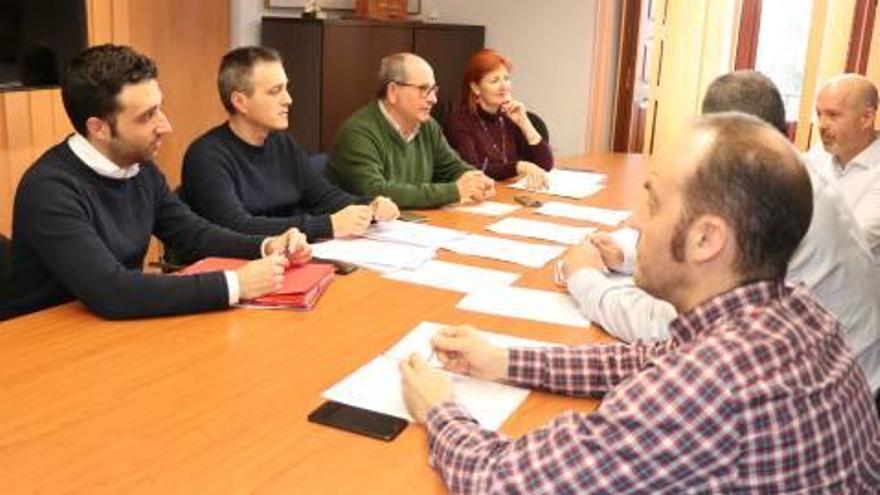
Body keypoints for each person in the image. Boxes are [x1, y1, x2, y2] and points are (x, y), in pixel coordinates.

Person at [400, 113, 880, 493]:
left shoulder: (706, 388)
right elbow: (649, 357)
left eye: (652, 206)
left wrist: (441, 410)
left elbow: (501, 481)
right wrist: (505, 359)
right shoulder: (798, 309)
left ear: (706, 239)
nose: (636, 221)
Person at [559, 71, 880, 399]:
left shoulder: (758, 201)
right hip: (843, 367)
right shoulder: (791, 173)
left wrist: (584, 279)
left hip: (832, 390)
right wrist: (627, 255)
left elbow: (670, 328)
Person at [6, 44, 310, 320]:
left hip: (111, 331)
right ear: (98, 128)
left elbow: (193, 234)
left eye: (159, 108)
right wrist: (235, 284)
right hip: (45, 341)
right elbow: (112, 291)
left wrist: (268, 245)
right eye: (147, 116)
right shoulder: (50, 189)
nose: (165, 126)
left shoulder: (139, 167)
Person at [180, 46, 399, 242]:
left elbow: (323, 197)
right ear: (240, 102)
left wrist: (370, 205)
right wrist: (328, 225)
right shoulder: (206, 156)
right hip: (240, 268)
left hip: (292, 255)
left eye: (286, 88)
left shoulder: (281, 143)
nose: (288, 99)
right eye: (275, 91)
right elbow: (237, 226)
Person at [328, 52, 495, 209]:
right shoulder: (359, 132)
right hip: (363, 232)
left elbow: (451, 167)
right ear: (393, 92)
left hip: (414, 224)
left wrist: (476, 179)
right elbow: (375, 192)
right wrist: (453, 191)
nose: (433, 99)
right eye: (423, 89)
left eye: (433, 90)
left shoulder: (428, 126)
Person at [445, 49, 553, 189]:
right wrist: (518, 167)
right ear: (476, 87)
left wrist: (525, 123)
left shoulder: (509, 116)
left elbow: (545, 164)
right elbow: (473, 170)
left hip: (511, 193)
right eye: (494, 80)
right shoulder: (460, 121)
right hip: (482, 197)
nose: (504, 86)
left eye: (506, 78)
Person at [805, 74, 880, 263]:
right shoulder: (817, 156)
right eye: (819, 114)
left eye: (833, 115)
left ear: (866, 118)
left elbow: (849, 243)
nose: (821, 125)